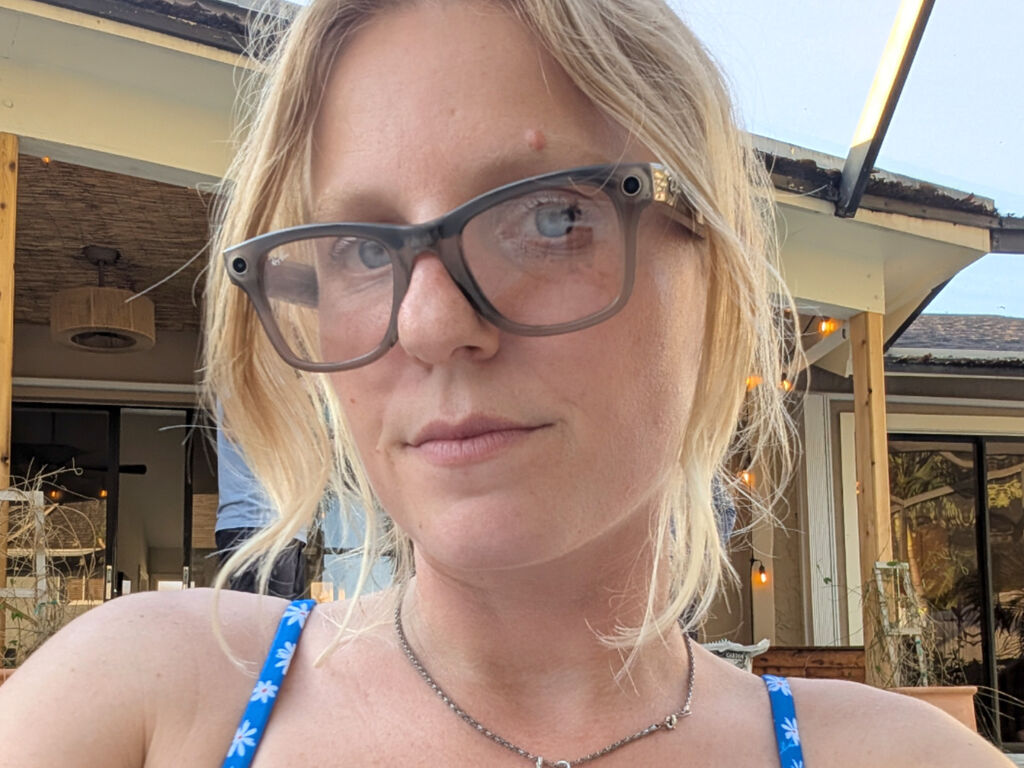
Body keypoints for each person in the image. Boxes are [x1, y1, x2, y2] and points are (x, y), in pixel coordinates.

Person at [0, 1, 1012, 766]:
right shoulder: (145, 697)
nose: (429, 323)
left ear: (712, 274)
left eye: (550, 218)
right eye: (362, 247)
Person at [215, 423, 309, 600]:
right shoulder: (253, 403)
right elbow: (235, 425)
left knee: (283, 615)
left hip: (282, 526)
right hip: (258, 521)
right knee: (265, 615)